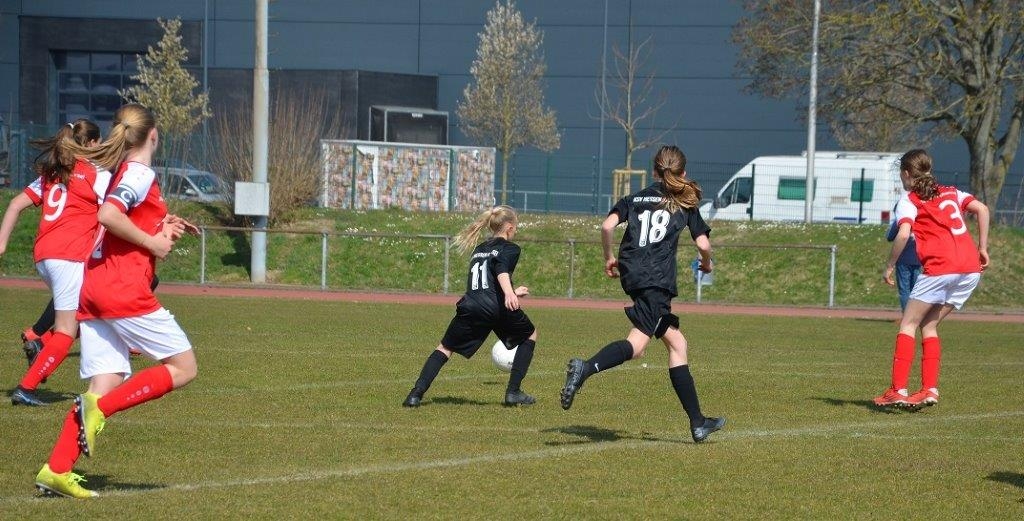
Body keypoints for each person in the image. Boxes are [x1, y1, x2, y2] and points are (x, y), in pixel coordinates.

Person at [33, 103, 199, 498]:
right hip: (121, 290)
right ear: (153, 135)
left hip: (95, 287)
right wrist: (153, 243)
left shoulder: (118, 173)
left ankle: (56, 469)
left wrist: (161, 225)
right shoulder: (139, 173)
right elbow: (108, 215)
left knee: (104, 382)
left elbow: (120, 218)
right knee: (184, 367)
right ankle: (100, 411)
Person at [559, 145, 725, 443]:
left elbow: (607, 226)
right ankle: (585, 368)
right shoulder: (684, 202)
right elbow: (703, 245)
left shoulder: (634, 199)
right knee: (638, 347)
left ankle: (699, 421)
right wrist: (707, 264)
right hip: (656, 281)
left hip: (633, 275)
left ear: (654, 171)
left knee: (675, 343)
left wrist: (609, 257)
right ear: (682, 172)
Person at [0, 119, 109, 406]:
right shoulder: (95, 173)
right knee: (67, 330)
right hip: (69, 257)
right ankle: (27, 386)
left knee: (92, 313)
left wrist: (1, 244)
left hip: (45, 256)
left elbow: (15, 204)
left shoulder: (53, 173)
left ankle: (42, 346)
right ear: (90, 144)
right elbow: (111, 214)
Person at [873, 149, 989, 408]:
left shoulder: (910, 199)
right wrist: (982, 248)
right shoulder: (952, 192)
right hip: (970, 269)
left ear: (906, 173)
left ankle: (897, 390)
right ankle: (929, 390)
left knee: (908, 323)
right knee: (929, 325)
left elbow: (903, 234)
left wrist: (889, 265)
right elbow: (982, 209)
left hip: (940, 267)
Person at [402, 205, 538, 408]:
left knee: (445, 348)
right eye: (516, 227)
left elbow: (487, 280)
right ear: (509, 227)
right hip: (496, 307)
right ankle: (513, 392)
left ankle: (415, 394)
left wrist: (510, 291)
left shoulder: (480, 249)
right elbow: (501, 268)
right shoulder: (510, 248)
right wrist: (510, 293)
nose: (516, 231)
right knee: (530, 335)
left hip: (471, 304)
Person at [886, 206, 921, 311]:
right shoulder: (919, 220)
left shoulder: (899, 221)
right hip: (918, 258)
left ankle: (907, 315)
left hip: (903, 259)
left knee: (904, 289)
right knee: (916, 289)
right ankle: (916, 314)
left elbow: (890, 237)